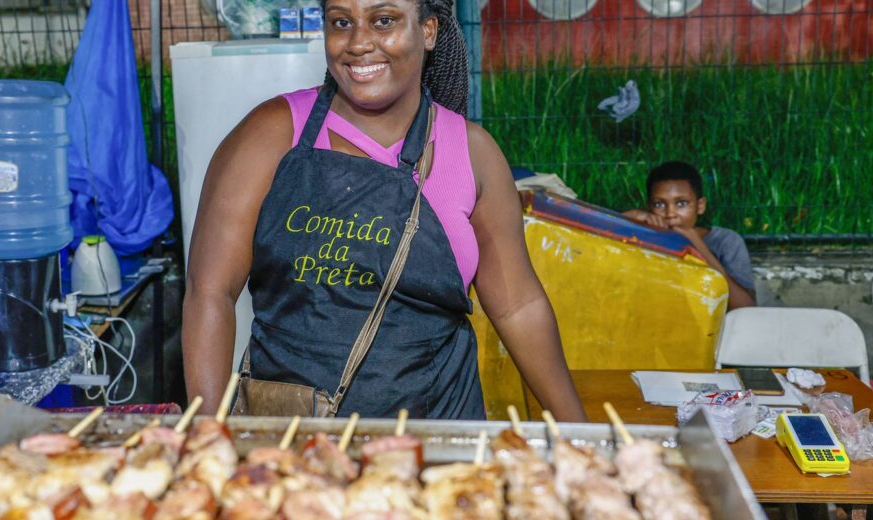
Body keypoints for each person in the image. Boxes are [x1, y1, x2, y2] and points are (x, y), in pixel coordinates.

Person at [181, 0, 587, 421]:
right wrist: (207, 431)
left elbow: (517, 306)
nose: (358, 42)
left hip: (438, 437)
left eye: (383, 20)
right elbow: (210, 290)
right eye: (342, 22)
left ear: (428, 31)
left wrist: (581, 432)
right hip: (292, 438)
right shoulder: (270, 133)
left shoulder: (472, 153)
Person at [624, 161, 756, 310]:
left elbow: (747, 306)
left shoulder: (725, 241)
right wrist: (629, 218)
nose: (670, 214)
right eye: (659, 204)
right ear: (649, 207)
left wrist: (698, 246)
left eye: (681, 203)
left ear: (700, 206)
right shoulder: (642, 236)